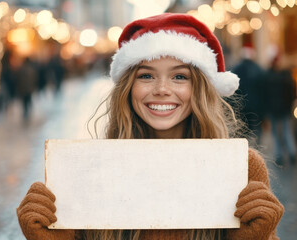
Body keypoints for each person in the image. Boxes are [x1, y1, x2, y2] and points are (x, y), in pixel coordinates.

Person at [16, 13, 284, 240]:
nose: (162, 90)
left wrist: (254, 235)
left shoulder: (243, 168)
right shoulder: (88, 171)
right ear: (128, 88)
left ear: (200, 88)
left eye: (180, 76)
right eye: (146, 76)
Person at [266, 56, 297, 166]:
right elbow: (292, 91)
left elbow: (266, 95)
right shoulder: (286, 76)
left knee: (276, 133)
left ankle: (279, 154)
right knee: (287, 131)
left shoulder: (268, 76)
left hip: (274, 109)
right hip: (284, 109)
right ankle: (291, 152)